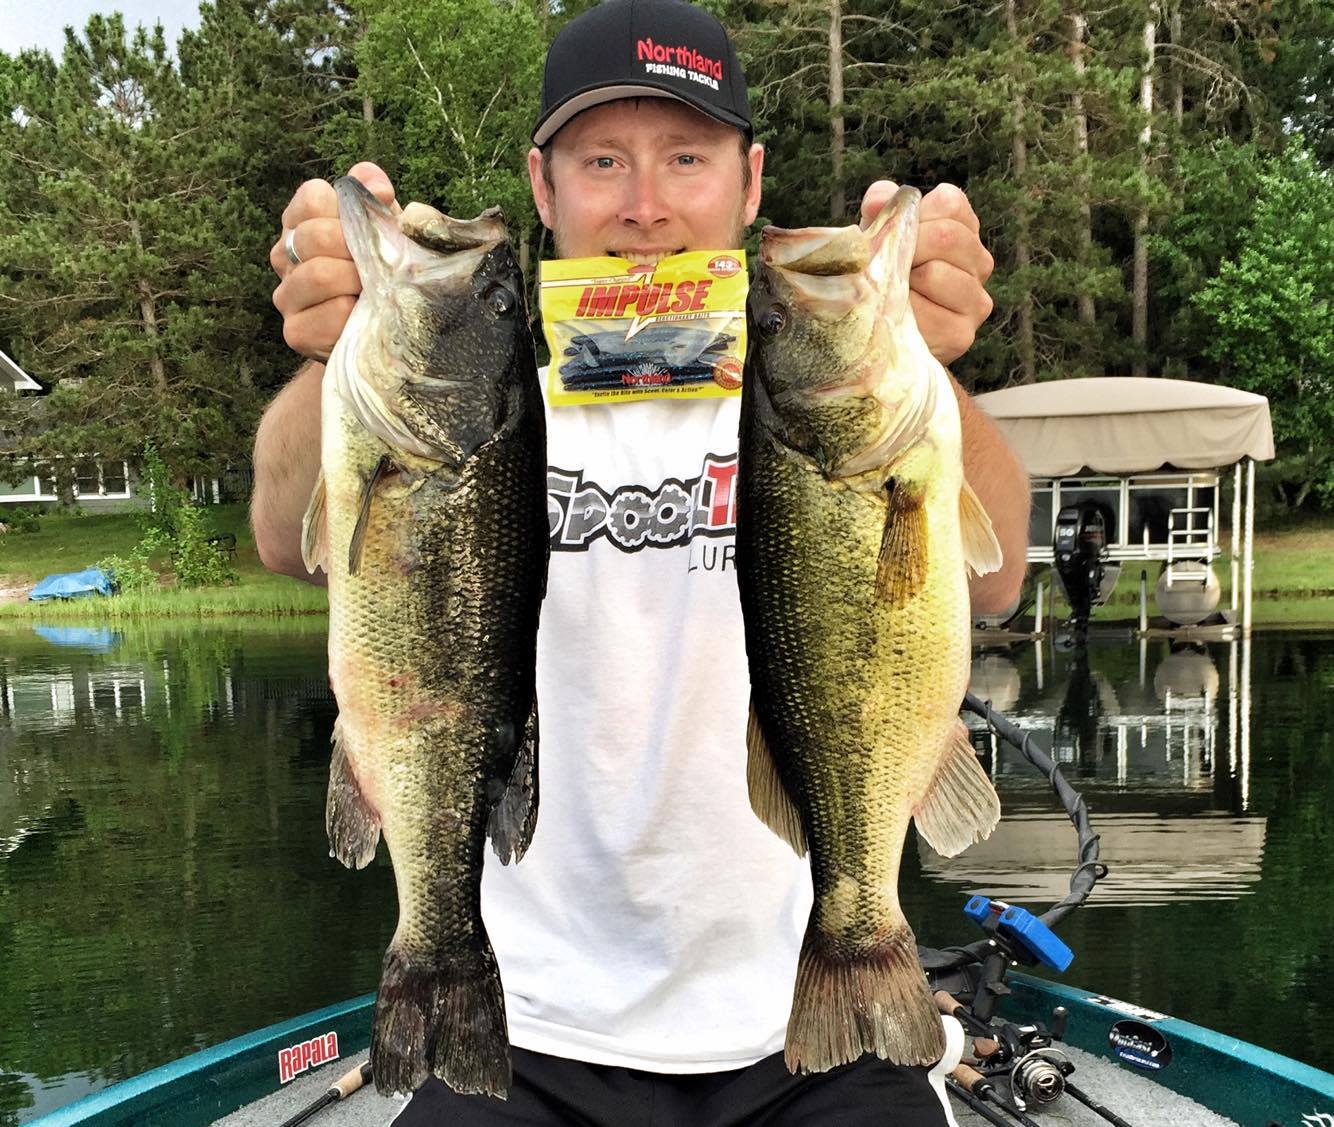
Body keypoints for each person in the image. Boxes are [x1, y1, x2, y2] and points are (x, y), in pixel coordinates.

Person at [253, 1, 1030, 1122]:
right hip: (529, 1018)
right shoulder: (481, 392)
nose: (645, 204)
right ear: (543, 186)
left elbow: (993, 580)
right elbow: (288, 535)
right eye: (602, 159)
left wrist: (924, 358)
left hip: (805, 1020)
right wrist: (332, 352)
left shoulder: (808, 384)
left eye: (686, 156)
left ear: (750, 179)